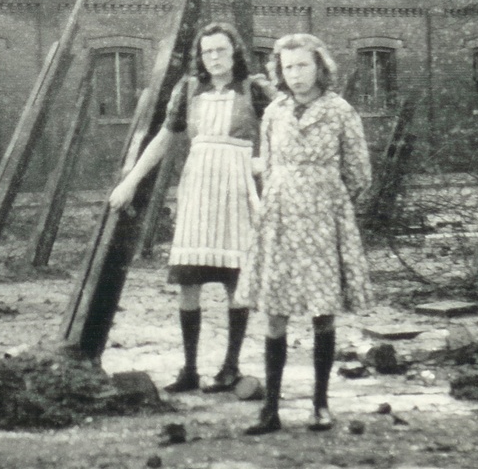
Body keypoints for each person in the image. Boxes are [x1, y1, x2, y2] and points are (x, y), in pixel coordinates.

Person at [109, 22, 270, 394]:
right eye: (207, 51)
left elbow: (281, 127)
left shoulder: (254, 89)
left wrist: (265, 162)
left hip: (237, 189)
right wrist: (130, 181)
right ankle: (190, 369)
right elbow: (164, 139)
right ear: (201, 56)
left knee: (236, 283)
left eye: (221, 51)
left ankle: (230, 368)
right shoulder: (188, 90)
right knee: (189, 281)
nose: (214, 58)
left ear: (235, 54)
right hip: (198, 188)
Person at [237, 33, 372, 435]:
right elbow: (269, 164)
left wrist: (325, 199)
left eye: (303, 66)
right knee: (275, 314)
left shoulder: (340, 111)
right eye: (288, 67)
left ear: (320, 68)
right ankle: (271, 410)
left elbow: (359, 174)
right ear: (279, 71)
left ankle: (320, 405)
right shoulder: (275, 112)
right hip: (279, 219)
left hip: (322, 221)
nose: (295, 75)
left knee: (321, 312)